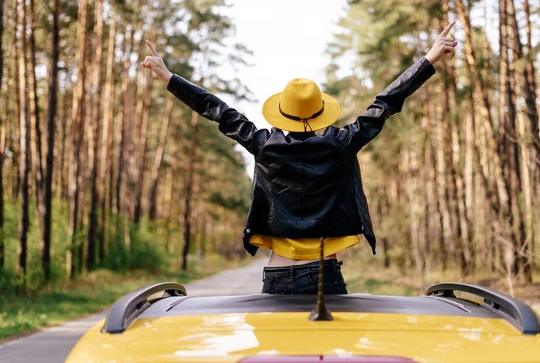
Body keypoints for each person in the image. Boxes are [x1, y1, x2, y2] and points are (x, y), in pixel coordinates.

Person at [142, 21, 457, 295]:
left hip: (277, 276)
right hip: (326, 275)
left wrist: (169, 77)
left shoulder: (264, 144)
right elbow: (386, 103)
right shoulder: (343, 143)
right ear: (321, 112)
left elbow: (219, 111)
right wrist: (429, 58)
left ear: (282, 113)